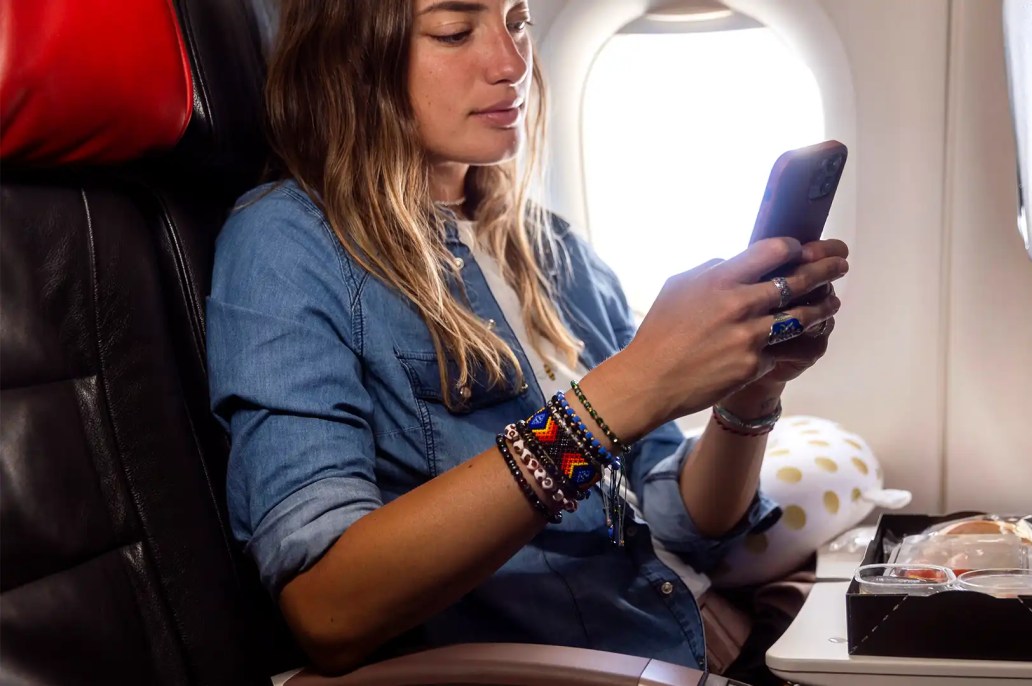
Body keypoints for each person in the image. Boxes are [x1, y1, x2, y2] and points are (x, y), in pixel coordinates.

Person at [206, 0, 849, 680]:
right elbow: (328, 610)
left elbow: (681, 525)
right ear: (352, 61)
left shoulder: (553, 252)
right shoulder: (286, 246)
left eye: (516, 22)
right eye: (455, 32)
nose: (513, 64)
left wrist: (749, 395)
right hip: (565, 666)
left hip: (686, 633)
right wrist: (625, 393)